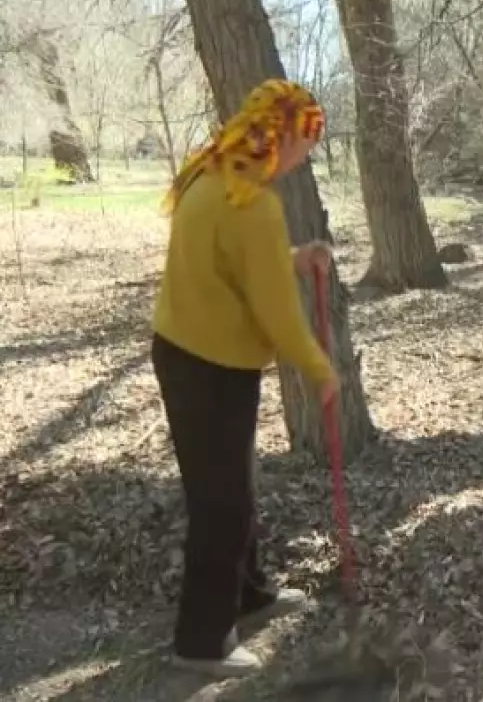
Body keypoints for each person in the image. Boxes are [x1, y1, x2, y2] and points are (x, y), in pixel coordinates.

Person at [150, 78, 339, 677]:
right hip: (210, 367)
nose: (302, 159)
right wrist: (320, 369)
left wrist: (293, 259)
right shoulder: (254, 205)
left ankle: (251, 593)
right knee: (222, 504)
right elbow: (279, 314)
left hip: (185, 352)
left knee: (233, 486)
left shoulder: (212, 175)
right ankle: (201, 641)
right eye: (303, 145)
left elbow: (238, 261)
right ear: (279, 135)